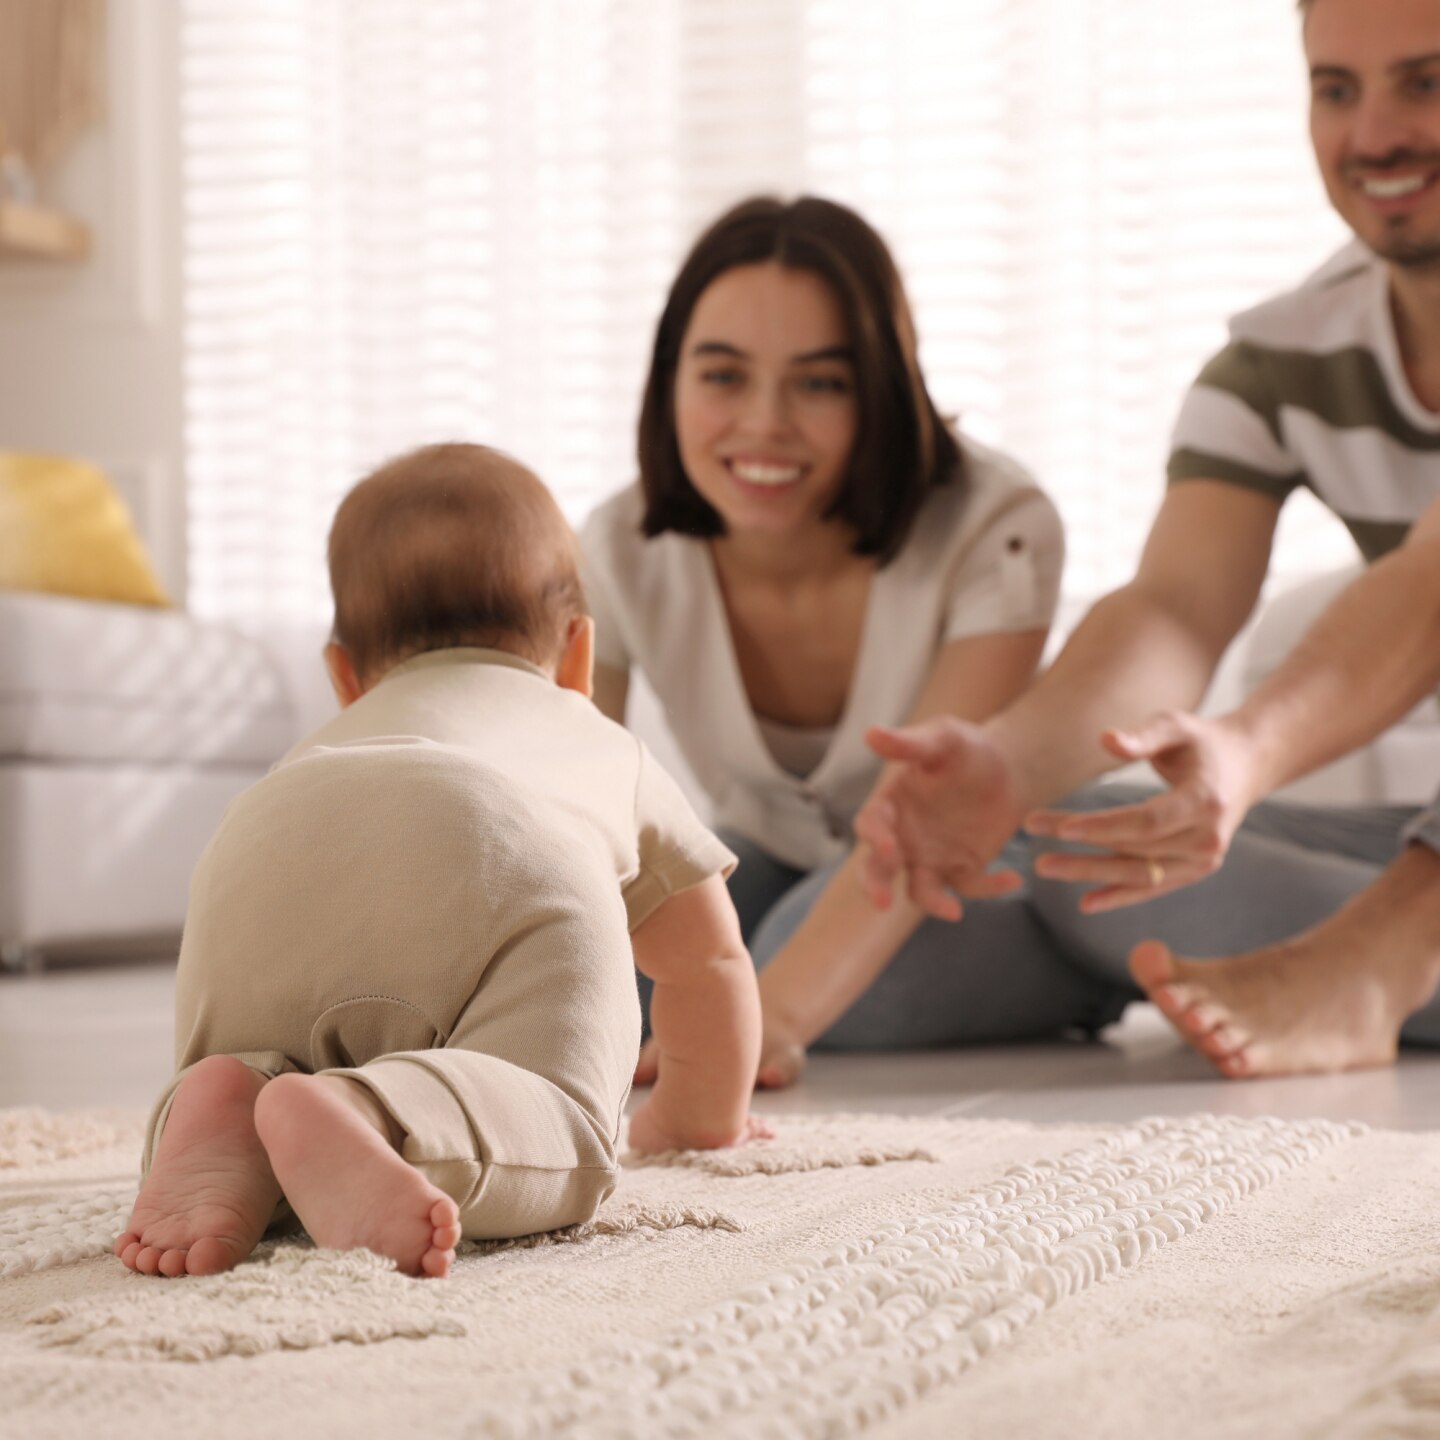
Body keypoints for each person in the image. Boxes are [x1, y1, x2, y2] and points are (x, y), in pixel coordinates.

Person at [856, 0, 1440, 1079]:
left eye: (1426, 81)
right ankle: (1368, 940)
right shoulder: (1279, 359)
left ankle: (1377, 960)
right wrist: (1011, 763)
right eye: (1336, 89)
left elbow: (1431, 584)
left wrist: (1252, 746)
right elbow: (1176, 607)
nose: (1377, 138)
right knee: (1077, 832)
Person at [115, 443, 767, 1281]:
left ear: (344, 676)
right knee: (545, 1104)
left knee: (252, 1048)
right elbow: (708, 962)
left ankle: (227, 1102)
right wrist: (694, 1119)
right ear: (577, 656)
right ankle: (374, 1116)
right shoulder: (598, 739)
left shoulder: (325, 740)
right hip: (492, 832)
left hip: (259, 843)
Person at [581, 194, 1119, 1089]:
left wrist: (772, 1024)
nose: (764, 423)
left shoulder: (999, 525)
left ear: (881, 388)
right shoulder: (616, 547)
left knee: (800, 967)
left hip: (973, 860)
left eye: (821, 383)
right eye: (723, 376)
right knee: (625, 977)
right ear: (671, 381)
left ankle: (1085, 968)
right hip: (773, 857)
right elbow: (567, 823)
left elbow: (925, 818)